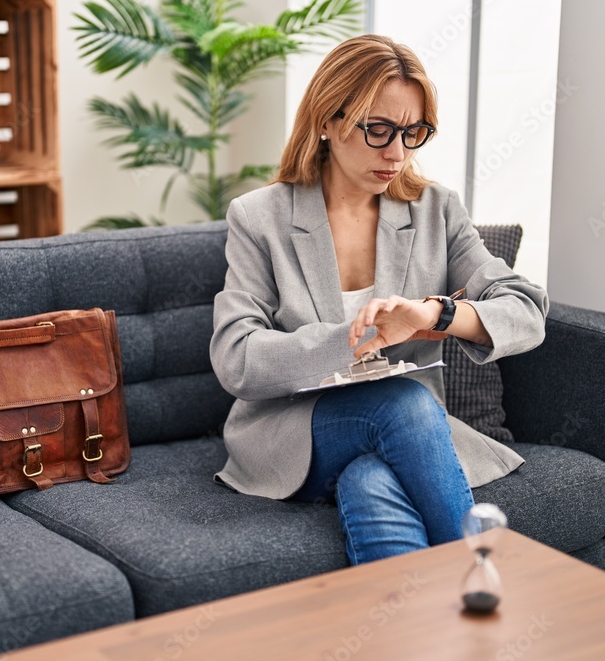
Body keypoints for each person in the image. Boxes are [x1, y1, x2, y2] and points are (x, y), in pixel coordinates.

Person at [209, 34, 548, 565]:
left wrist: (435, 315)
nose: (397, 152)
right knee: (405, 403)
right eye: (379, 130)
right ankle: (481, 575)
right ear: (327, 120)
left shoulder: (436, 209)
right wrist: (356, 340)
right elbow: (238, 357)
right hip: (296, 430)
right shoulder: (259, 218)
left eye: (413, 132)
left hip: (403, 438)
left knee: (371, 481)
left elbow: (526, 308)